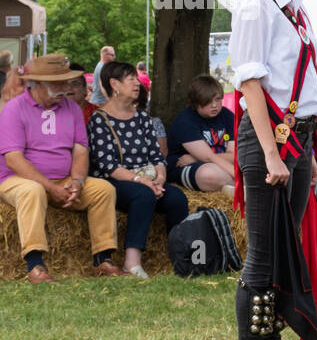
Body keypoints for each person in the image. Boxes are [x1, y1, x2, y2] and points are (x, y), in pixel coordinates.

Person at [230, 0, 317, 340]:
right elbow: (249, 83)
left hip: (298, 137)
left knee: (284, 255)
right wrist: (271, 155)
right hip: (271, 138)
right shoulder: (256, 5)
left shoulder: (292, 3)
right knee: (263, 259)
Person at [0, 54, 123, 283]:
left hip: (63, 179)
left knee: (103, 190)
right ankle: (35, 266)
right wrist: (49, 186)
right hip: (15, 179)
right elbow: (14, 160)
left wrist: (77, 181)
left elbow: (80, 150)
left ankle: (103, 260)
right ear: (37, 83)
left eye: (67, 81)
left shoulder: (73, 109)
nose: (66, 88)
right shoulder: (14, 109)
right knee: (32, 191)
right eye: (58, 83)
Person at [87, 61, 189, 279]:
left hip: (149, 178)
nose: (137, 83)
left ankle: (180, 257)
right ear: (114, 84)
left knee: (177, 198)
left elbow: (156, 155)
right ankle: (132, 263)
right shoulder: (99, 119)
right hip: (115, 181)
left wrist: (160, 178)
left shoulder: (142, 117)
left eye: (136, 78)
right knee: (143, 196)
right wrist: (142, 181)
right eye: (131, 79)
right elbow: (109, 166)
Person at [167, 74, 236, 192]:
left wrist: (196, 158)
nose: (214, 105)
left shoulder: (227, 116)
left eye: (218, 99)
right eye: (208, 101)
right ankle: (242, 186)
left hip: (216, 163)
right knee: (208, 175)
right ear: (196, 102)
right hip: (186, 167)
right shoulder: (185, 121)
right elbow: (209, 157)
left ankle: (233, 186)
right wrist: (239, 177)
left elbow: (234, 155)